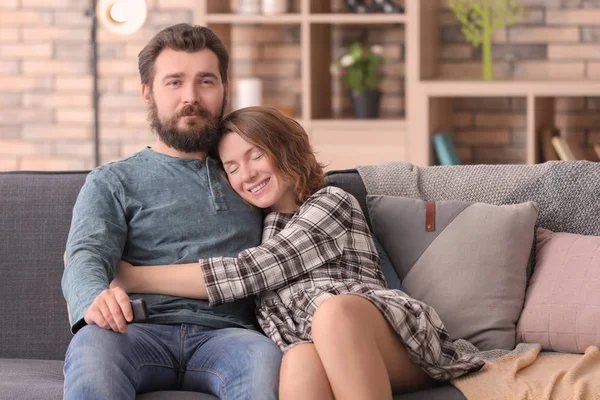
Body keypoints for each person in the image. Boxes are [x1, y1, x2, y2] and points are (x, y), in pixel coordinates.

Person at [111, 106, 485, 400]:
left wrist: (131, 275)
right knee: (298, 360)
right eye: (232, 168)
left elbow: (247, 273)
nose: (247, 174)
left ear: (285, 149)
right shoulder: (257, 230)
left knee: (333, 313)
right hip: (312, 346)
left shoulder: (330, 202)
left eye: (256, 156)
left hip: (391, 341)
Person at [61, 24, 282, 400]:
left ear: (225, 89)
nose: (191, 97)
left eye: (206, 81)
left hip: (232, 335)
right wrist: (94, 298)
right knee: (91, 349)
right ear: (148, 93)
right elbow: (86, 254)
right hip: (133, 331)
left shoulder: (251, 174)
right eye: (175, 82)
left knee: (266, 362)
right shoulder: (112, 180)